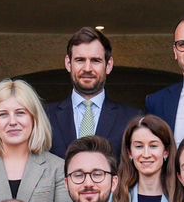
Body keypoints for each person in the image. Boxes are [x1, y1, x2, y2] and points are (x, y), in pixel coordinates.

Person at [45, 28, 137, 156]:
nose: (87, 68)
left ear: (108, 65)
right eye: (80, 60)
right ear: (68, 63)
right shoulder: (45, 116)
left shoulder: (131, 118)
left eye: (95, 60)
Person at [112, 115, 177, 202]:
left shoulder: (181, 196)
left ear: (166, 152)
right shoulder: (115, 195)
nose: (146, 154)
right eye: (139, 146)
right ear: (129, 152)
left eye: (153, 146)